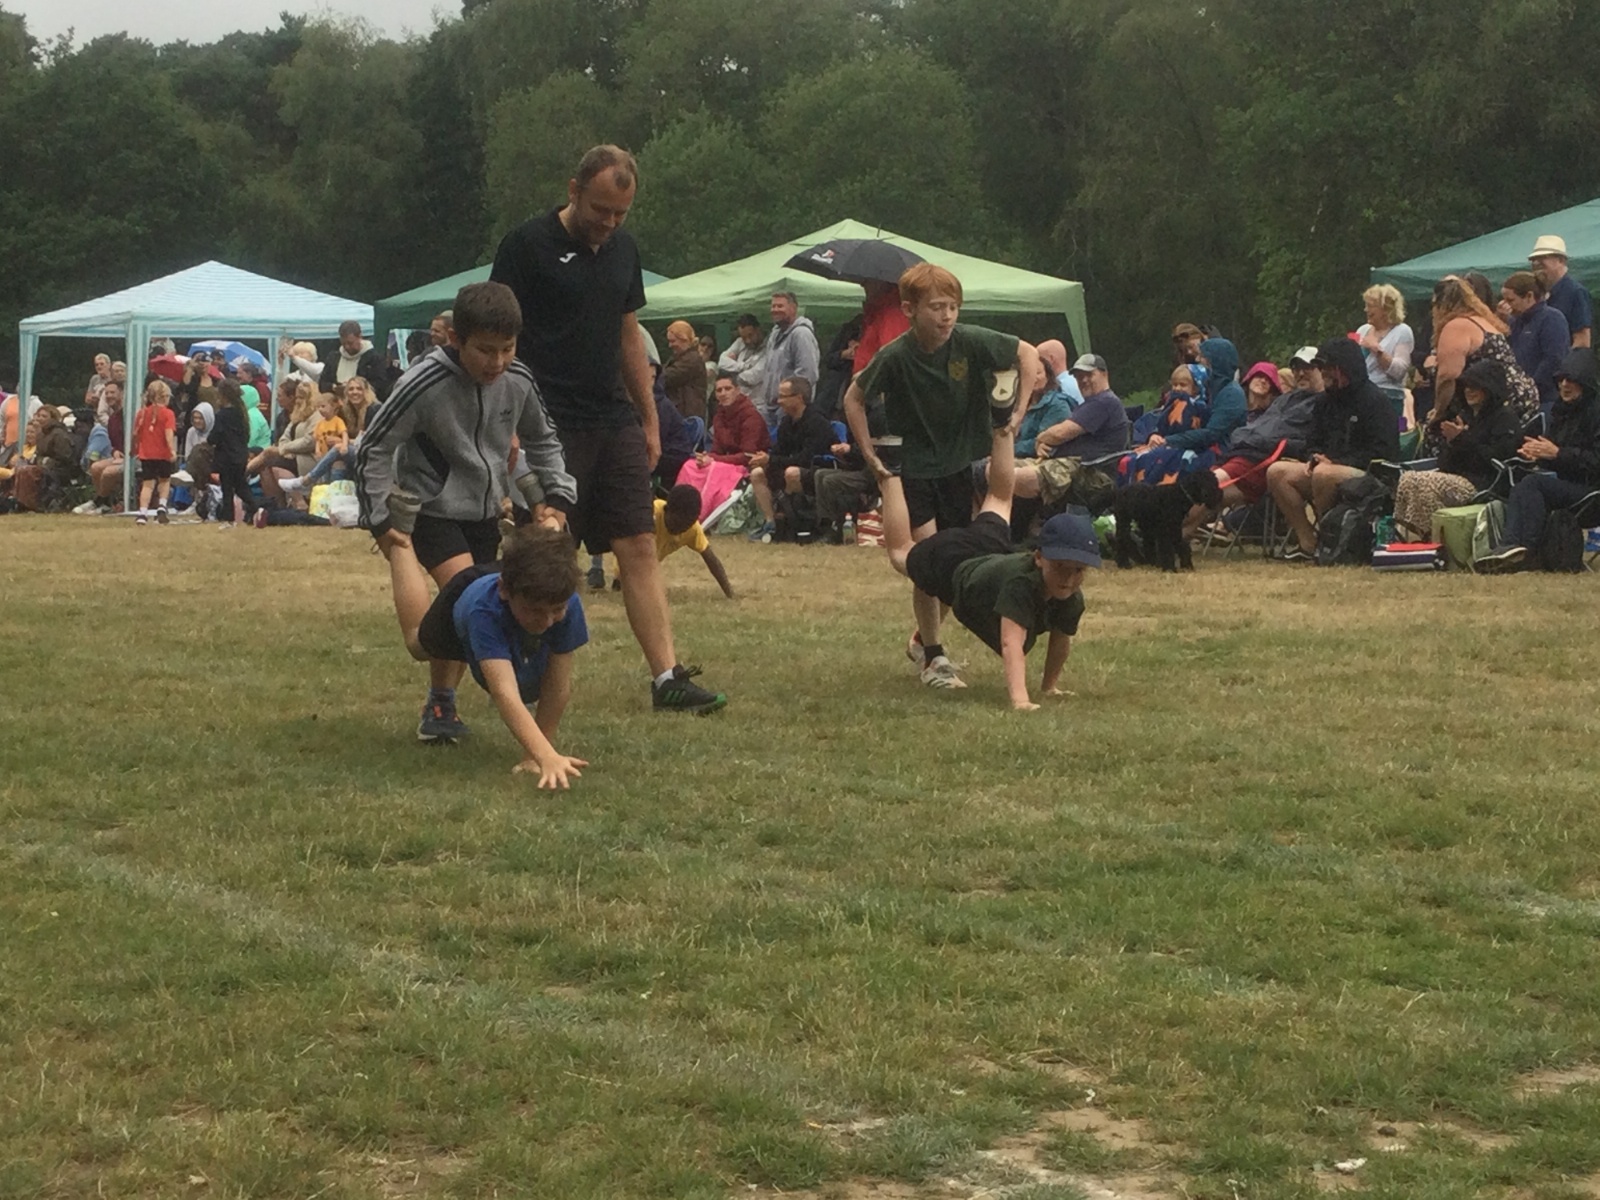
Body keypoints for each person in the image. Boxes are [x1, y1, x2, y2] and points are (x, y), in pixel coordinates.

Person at [490, 143, 725, 714]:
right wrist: (508, 422)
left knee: (639, 541)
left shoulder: (624, 250)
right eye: (600, 209)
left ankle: (666, 678)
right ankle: (524, 665)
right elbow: (499, 335)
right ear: (574, 191)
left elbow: (627, 334)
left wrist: (649, 418)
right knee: (551, 546)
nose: (610, 223)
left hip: (613, 417)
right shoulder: (526, 246)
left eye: (621, 213)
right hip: (547, 422)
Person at [358, 280, 579, 742]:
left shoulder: (518, 379)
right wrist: (379, 518)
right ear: (456, 339)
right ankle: (454, 696)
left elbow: (543, 439)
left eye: (507, 349)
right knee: (466, 596)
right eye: (485, 350)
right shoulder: (422, 383)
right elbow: (375, 447)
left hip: (485, 511)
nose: (497, 362)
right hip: (429, 509)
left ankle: (442, 700)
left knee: (458, 609)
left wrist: (556, 499)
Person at [843, 262, 1043, 688]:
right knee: (931, 557)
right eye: (936, 307)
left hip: (957, 465)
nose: (947, 316)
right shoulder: (896, 355)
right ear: (909, 310)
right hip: (914, 469)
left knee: (954, 563)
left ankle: (922, 639)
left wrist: (1019, 412)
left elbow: (1028, 354)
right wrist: (871, 455)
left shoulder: (970, 341)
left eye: (953, 307)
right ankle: (934, 656)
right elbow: (853, 399)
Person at [877, 418, 1097, 709]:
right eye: (1060, 567)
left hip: (989, 545)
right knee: (900, 551)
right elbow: (1011, 644)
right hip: (951, 563)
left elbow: (1060, 640)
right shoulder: (1021, 585)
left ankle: (1002, 420)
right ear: (1038, 558)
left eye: (1078, 570)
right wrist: (1021, 700)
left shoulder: (1070, 595)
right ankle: (889, 468)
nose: (1068, 578)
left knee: (1000, 499)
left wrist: (1050, 687)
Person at [391, 524, 590, 786]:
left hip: (508, 586)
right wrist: (546, 756)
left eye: (556, 610)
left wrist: (535, 757)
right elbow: (503, 692)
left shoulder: (567, 602)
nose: (547, 621)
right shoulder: (484, 612)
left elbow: (557, 686)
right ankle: (401, 542)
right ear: (505, 591)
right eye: (535, 611)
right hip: (462, 598)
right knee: (417, 646)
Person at [1265, 337, 1401, 561]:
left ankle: (1330, 541)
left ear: (1345, 368)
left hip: (1371, 477)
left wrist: (1337, 463)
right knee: (1277, 472)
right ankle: (1308, 543)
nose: (1323, 373)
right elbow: (1311, 441)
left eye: (1328, 368)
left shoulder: (1376, 402)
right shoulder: (1323, 402)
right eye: (1321, 368)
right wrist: (1313, 456)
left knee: (1324, 474)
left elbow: (1384, 452)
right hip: (1326, 471)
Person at [1476, 347, 1600, 571]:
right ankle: (1511, 547)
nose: (1564, 385)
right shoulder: (1561, 412)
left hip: (1593, 492)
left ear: (1586, 382)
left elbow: (1594, 461)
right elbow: (1555, 455)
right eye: (1561, 379)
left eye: (1571, 380)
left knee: (1534, 484)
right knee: (1522, 480)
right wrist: (1537, 455)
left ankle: (1522, 549)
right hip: (1570, 487)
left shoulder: (1596, 412)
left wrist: (1557, 453)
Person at [1184, 348, 1322, 538]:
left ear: (1322, 369)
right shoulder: (1285, 400)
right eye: (1296, 368)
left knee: (1205, 487)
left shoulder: (1323, 404)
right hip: (1242, 452)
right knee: (1203, 491)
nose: (1300, 373)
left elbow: (1307, 442)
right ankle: (1175, 538)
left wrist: (1270, 444)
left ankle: (1168, 538)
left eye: (1307, 368)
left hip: (1266, 460)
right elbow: (1258, 427)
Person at [1392, 358, 1521, 541]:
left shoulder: (1505, 419)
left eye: (1475, 386)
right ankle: (1403, 536)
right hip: (1456, 477)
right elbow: (1445, 464)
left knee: (1425, 484)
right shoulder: (1465, 417)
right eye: (1466, 386)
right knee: (1407, 479)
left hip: (1483, 483)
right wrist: (1452, 442)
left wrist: (1461, 439)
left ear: (1490, 388)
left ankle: (1428, 540)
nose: (1468, 390)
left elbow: (1495, 459)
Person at [1428, 275, 1540, 431]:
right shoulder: (1482, 321)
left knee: (1438, 434)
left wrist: (1438, 411)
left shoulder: (1457, 326)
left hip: (1495, 402)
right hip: (1519, 396)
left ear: (1441, 304)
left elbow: (1448, 376)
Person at [745, 376, 839, 543]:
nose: (778, 401)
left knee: (792, 473)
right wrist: (763, 459)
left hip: (820, 471)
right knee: (757, 473)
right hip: (792, 467)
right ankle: (771, 524)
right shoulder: (787, 422)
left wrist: (771, 460)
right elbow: (779, 451)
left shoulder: (817, 422)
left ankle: (794, 524)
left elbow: (805, 459)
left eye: (783, 396)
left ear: (799, 398)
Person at [1502, 270, 1570, 413]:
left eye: (1511, 300)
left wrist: (1530, 386)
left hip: (1546, 398)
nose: (1506, 305)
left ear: (1529, 296)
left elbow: (1554, 359)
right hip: (1518, 398)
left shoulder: (1552, 318)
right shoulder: (1514, 322)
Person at [654, 484, 735, 597]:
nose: (681, 530)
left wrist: (730, 593)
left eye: (687, 525)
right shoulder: (652, 513)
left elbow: (711, 560)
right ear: (667, 510)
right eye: (677, 523)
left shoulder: (692, 529)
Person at [754, 292, 820, 426]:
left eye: (780, 306)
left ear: (793, 308)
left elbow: (807, 375)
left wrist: (788, 402)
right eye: (773, 306)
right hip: (769, 409)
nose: (775, 310)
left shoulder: (801, 334)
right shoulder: (774, 334)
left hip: (790, 411)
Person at [1014, 341, 1082, 458]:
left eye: (1038, 372)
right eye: (1029, 373)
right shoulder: (1019, 403)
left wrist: (1006, 450)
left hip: (1046, 459)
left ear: (1048, 375)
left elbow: (1043, 442)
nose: (1033, 377)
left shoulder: (1059, 401)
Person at [1528, 235, 1593, 349]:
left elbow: (1582, 340)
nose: (1536, 263)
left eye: (1543, 257)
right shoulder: (1536, 294)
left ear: (1561, 260)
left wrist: (1560, 358)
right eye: (1533, 259)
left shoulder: (1576, 292)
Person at [208, 380, 257, 527]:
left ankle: (229, 518)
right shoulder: (241, 414)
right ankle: (256, 508)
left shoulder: (222, 415)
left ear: (223, 396)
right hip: (240, 455)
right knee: (241, 486)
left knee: (227, 488)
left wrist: (209, 440)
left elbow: (215, 435)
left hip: (226, 457)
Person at [133, 378, 178, 524]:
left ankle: (142, 513)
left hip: (146, 454)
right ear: (165, 397)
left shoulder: (142, 413)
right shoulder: (168, 414)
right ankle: (162, 507)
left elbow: (136, 434)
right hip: (163, 453)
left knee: (147, 484)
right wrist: (171, 450)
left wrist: (134, 449)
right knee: (164, 480)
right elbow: (168, 433)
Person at [1357, 284, 1415, 393]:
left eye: (1370, 306)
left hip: (1387, 393)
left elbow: (1399, 372)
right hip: (1360, 391)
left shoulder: (1402, 331)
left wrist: (1376, 350)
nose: (1365, 310)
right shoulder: (1362, 330)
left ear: (1386, 309)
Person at [319, 320, 391, 399]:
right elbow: (322, 383)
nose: (347, 347)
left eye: (350, 343)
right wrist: (334, 387)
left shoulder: (374, 359)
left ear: (360, 337)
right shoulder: (333, 358)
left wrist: (355, 388)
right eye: (343, 343)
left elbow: (380, 385)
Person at [717, 315, 769, 405]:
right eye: (744, 337)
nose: (748, 341)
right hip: (738, 401)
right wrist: (743, 366)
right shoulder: (740, 342)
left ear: (758, 330)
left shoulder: (770, 347)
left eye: (750, 335)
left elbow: (753, 377)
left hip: (757, 404)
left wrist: (732, 373)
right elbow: (722, 362)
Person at [661, 320, 707, 420]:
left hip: (687, 417)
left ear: (684, 339)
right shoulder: (683, 358)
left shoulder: (692, 360)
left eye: (673, 341)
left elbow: (668, 377)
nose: (670, 345)